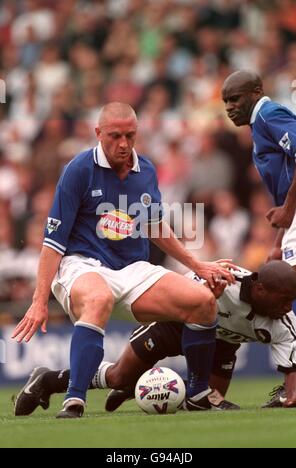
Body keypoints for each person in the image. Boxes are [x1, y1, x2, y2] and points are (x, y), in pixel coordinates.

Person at [12, 102, 235, 419]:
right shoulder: (78, 170)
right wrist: (39, 300)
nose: (123, 144)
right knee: (99, 297)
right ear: (98, 133)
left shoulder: (145, 170)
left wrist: (198, 266)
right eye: (115, 136)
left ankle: (198, 393)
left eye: (130, 135)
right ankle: (74, 400)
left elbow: (155, 226)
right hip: (82, 265)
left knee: (202, 302)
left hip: (132, 270)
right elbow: (53, 241)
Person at [14, 260, 296, 416]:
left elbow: (293, 375)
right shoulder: (225, 279)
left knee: (204, 404)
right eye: (284, 299)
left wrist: (291, 396)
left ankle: (143, 387)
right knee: (117, 377)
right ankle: (50, 380)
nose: (288, 307)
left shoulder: (284, 324)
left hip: (221, 345)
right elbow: (183, 288)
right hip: (172, 325)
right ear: (260, 289)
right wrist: (203, 293)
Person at [222, 70, 296, 320]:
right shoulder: (259, 125)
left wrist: (288, 209)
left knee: (288, 287)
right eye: (226, 102)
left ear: (256, 93)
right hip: (295, 213)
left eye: (235, 99)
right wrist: (278, 241)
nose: (229, 107)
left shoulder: (268, 114)